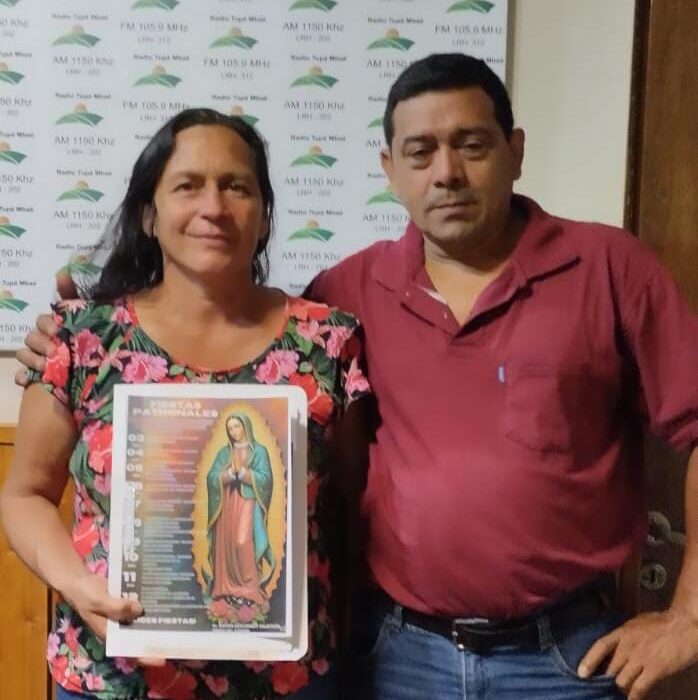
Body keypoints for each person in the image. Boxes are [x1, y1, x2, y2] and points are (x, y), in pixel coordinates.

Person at [14, 54, 698, 700]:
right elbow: (28, 493)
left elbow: (339, 490)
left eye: (472, 144)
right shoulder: (342, 297)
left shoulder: (328, 333)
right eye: (420, 152)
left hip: (560, 656)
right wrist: (67, 345)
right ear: (390, 169)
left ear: (515, 151)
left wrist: (688, 619)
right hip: (385, 657)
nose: (447, 172)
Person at [1, 107, 370, 700]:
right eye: (187, 186)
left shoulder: (327, 343)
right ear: (149, 214)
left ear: (263, 216)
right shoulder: (85, 340)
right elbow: (25, 496)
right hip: (115, 677)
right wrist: (79, 588)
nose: (214, 206)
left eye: (236, 186)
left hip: (284, 681)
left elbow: (355, 506)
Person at [207, 413, 275, 610]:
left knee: (242, 542)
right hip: (227, 504)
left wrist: (245, 474)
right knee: (227, 544)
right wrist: (228, 475)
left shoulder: (259, 451)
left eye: (237, 426)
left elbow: (266, 480)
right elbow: (211, 477)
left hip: (248, 502)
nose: (234, 431)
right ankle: (229, 589)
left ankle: (250, 589)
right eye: (230, 428)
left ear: (246, 426)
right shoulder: (224, 453)